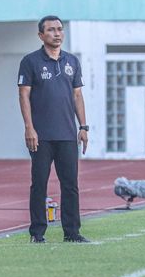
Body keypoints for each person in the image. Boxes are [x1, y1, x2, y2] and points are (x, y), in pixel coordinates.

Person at [17, 15, 90, 243]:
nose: (57, 33)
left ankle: (72, 232)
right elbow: (24, 94)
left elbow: (77, 94)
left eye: (59, 29)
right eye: (51, 30)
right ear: (41, 35)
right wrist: (29, 128)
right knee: (39, 184)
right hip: (41, 136)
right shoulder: (30, 62)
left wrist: (84, 126)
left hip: (68, 135)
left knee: (70, 185)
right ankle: (37, 233)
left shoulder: (72, 61)